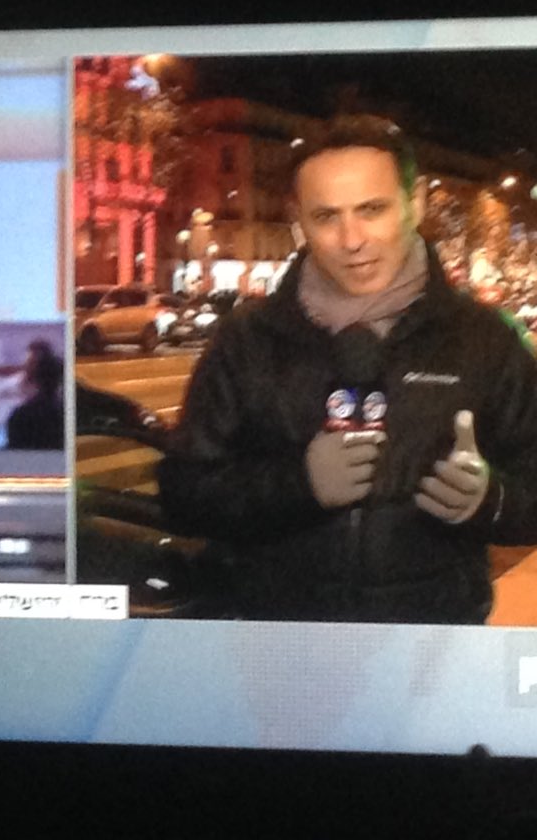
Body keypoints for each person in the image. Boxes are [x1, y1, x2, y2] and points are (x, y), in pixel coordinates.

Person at [158, 115, 537, 623]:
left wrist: (491, 500)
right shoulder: (246, 340)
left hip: (430, 647)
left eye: (372, 209)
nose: (352, 239)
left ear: (415, 202)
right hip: (277, 644)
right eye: (326, 216)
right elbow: (183, 494)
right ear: (298, 221)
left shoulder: (485, 338)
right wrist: (298, 485)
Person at [6, 340, 64, 449]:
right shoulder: (11, 386)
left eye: (34, 363)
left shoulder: (59, 408)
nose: (30, 367)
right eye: (29, 362)